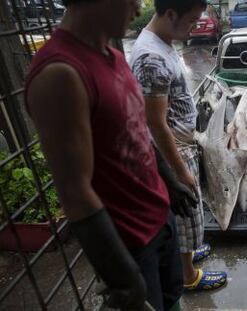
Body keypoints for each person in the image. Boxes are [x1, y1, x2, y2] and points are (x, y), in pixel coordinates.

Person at [25, 0, 197, 310]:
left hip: (161, 218)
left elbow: (140, 133)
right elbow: (74, 192)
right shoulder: (60, 74)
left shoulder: (115, 56)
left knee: (172, 300)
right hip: (130, 241)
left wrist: (170, 182)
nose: (137, 8)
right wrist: (122, 274)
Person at [129, 0, 227, 291]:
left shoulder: (162, 43)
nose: (195, 27)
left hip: (182, 145)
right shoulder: (151, 58)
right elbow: (155, 123)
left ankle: (187, 255)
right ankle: (188, 276)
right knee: (186, 214)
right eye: (191, 21)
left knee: (188, 219)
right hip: (175, 152)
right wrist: (179, 170)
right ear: (170, 14)